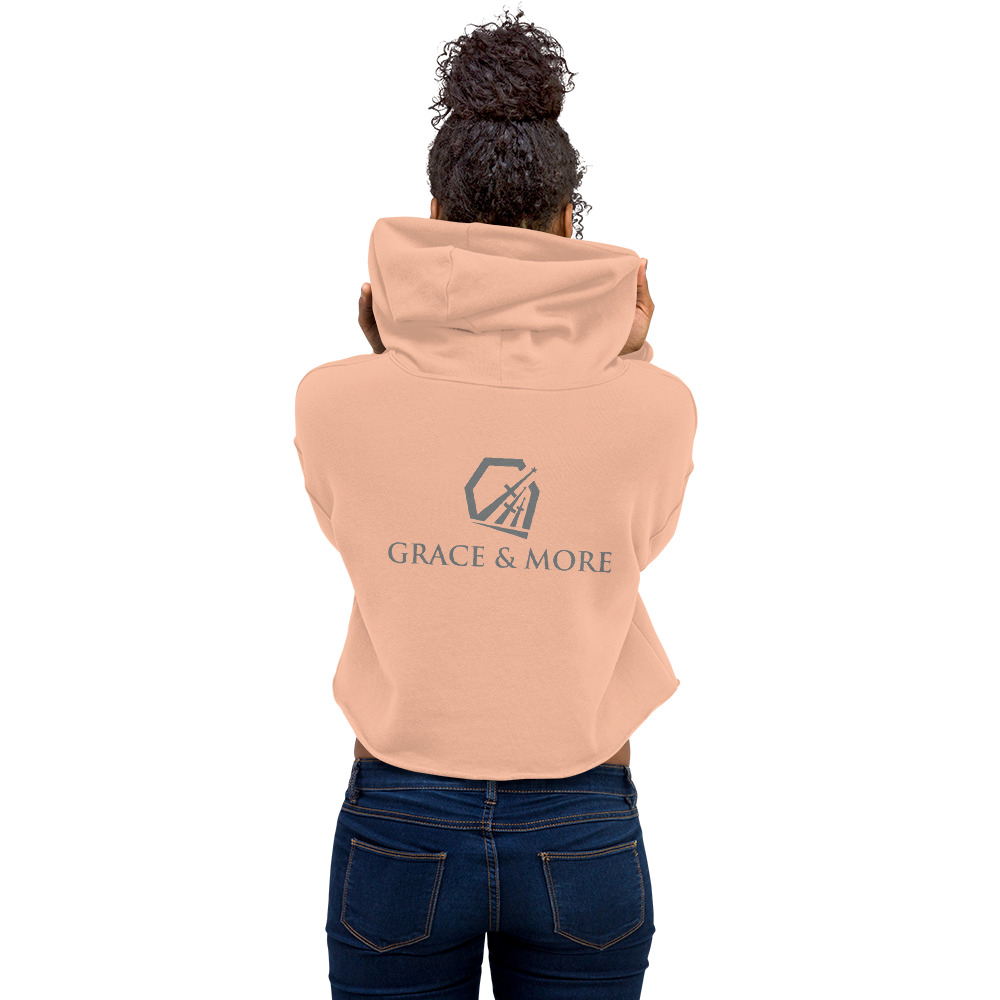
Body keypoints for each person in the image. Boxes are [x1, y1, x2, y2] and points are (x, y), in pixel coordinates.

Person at [293, 9, 697, 998]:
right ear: (567, 225)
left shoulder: (329, 400)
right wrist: (630, 353)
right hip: (581, 818)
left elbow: (358, 526)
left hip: (400, 818)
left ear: (434, 217)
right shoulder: (659, 407)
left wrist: (393, 353)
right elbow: (630, 543)